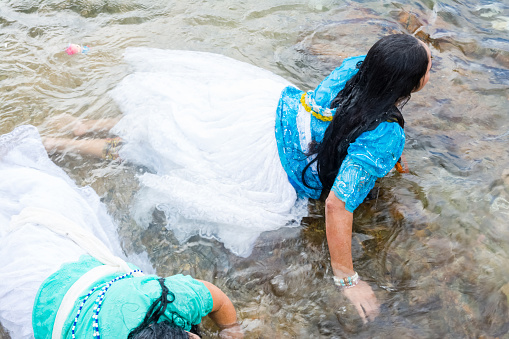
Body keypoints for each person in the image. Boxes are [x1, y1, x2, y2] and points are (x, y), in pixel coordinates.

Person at [43, 34, 432, 322]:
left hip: (266, 118)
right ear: (410, 85)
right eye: (428, 67)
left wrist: (386, 161)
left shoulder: (355, 68)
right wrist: (347, 278)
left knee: (170, 125)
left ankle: (77, 126)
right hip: (269, 171)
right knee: (151, 152)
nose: (431, 68)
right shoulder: (385, 134)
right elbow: (336, 205)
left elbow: (336, 120)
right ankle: (65, 141)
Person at [0, 125, 242, 339]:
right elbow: (215, 297)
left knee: (42, 204)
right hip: (60, 295)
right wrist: (230, 329)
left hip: (56, 301)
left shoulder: (164, 298)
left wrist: (231, 330)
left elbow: (214, 298)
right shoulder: (164, 298)